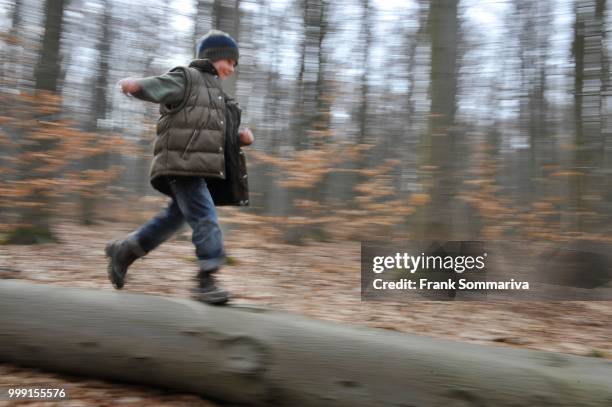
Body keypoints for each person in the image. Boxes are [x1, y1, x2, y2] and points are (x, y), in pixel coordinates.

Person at [105, 29, 253, 305]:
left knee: (174, 219)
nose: (232, 68)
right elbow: (159, 85)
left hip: (201, 169)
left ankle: (125, 251)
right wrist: (137, 86)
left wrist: (239, 137)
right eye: (229, 62)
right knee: (205, 217)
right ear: (213, 57)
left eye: (235, 64)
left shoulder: (219, 97)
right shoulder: (188, 78)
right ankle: (206, 279)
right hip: (182, 164)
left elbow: (216, 135)